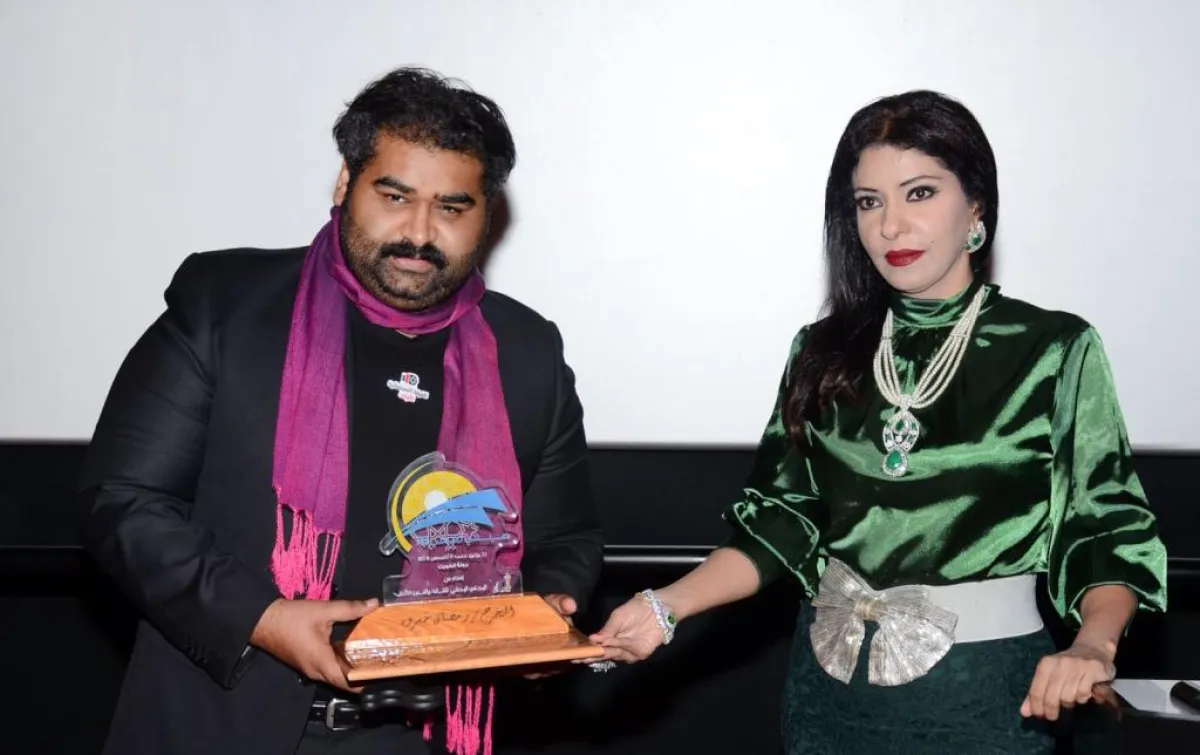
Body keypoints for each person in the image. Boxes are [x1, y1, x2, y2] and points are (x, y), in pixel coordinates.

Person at [590, 90, 1167, 754]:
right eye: (869, 202)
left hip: (986, 697)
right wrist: (664, 607)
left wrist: (1093, 644)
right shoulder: (819, 351)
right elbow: (782, 524)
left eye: (919, 193)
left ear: (976, 207)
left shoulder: (1053, 349)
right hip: (827, 697)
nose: (891, 226)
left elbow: (1104, 526)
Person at [78, 67, 603, 755]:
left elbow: (566, 538)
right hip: (220, 725)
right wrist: (261, 618)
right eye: (395, 196)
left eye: (452, 208)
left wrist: (544, 619)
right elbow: (123, 499)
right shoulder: (226, 306)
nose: (419, 233)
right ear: (344, 184)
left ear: (487, 215)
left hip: (423, 736)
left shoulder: (527, 351)